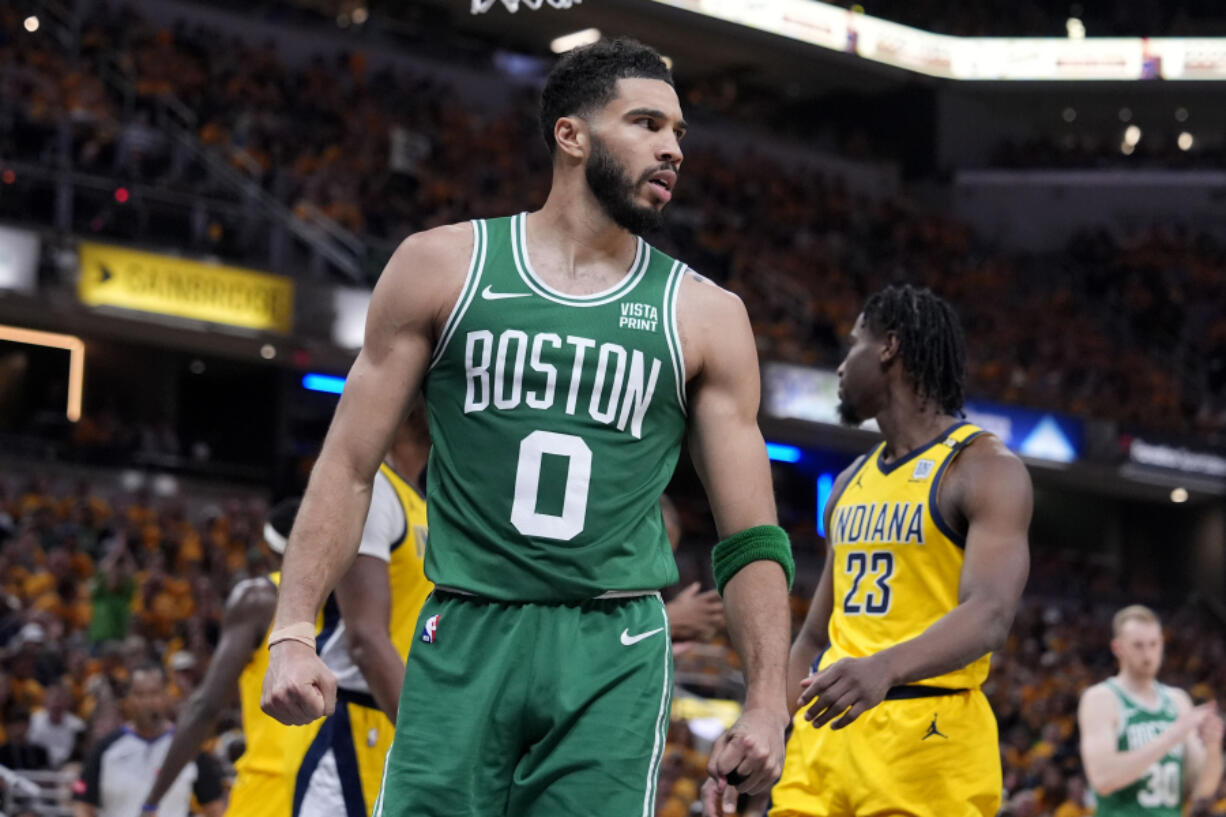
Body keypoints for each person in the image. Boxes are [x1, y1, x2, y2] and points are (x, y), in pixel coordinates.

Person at [262, 36, 793, 817]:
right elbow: (347, 463)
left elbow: (749, 534)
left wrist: (767, 699)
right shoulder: (442, 265)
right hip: (467, 621)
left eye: (679, 132)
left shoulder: (708, 315)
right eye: (647, 123)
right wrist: (292, 628)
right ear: (570, 135)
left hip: (613, 646)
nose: (672, 148)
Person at [766, 285, 1033, 817]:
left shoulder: (984, 467)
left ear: (888, 347)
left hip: (928, 742)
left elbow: (990, 615)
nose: (841, 368)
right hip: (823, 745)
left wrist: (883, 668)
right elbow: (817, 634)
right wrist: (766, 722)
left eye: (853, 346)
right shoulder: (848, 483)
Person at [145, 404, 431, 817]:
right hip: (311, 766)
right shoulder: (275, 595)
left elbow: (206, 705)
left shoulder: (415, 508)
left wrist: (151, 801)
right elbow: (366, 640)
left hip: (363, 736)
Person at [1077, 604, 1225, 817]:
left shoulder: (1178, 700)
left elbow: (1202, 789)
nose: (1148, 654)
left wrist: (1213, 747)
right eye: (1138, 646)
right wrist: (1171, 736)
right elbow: (1103, 779)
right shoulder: (1101, 698)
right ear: (1118, 648)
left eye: (1153, 644)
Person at [74, 664, 223, 817]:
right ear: (128, 699)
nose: (148, 702)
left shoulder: (188, 749)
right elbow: (83, 805)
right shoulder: (105, 749)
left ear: (167, 696)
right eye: (140, 695)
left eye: (154, 694)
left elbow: (214, 808)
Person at [28, 682, 84, 768]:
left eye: (61, 699)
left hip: (66, 770)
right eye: (53, 698)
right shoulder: (33, 721)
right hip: (37, 768)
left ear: (68, 702)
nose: (57, 703)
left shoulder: (78, 726)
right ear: (45, 701)